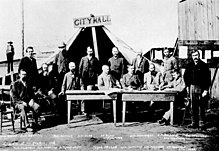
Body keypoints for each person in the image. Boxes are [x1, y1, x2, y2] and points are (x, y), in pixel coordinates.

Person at [183, 49, 211, 129]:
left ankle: (202, 123)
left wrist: (206, 90)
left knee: (201, 105)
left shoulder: (204, 65)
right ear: (191, 57)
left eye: (196, 55)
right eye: (193, 55)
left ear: (199, 56)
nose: (195, 57)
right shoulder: (189, 65)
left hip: (201, 88)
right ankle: (194, 122)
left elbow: (207, 79)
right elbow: (186, 76)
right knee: (193, 106)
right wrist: (187, 87)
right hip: (192, 87)